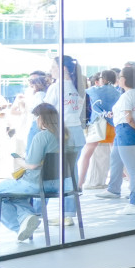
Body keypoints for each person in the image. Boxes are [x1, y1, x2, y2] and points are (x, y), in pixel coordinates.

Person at [0, 102, 62, 242]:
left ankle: (18, 227)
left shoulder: (42, 136)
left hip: (35, 183)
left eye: (36, 117)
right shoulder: (66, 136)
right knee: (17, 196)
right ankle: (27, 217)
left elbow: (32, 165)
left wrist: (20, 161)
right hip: (57, 184)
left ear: (41, 118)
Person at [42, 55, 86, 224]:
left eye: (53, 67)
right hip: (77, 133)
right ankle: (68, 213)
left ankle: (40, 211)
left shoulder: (56, 87)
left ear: (63, 69)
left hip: (63, 133)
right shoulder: (79, 87)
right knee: (71, 173)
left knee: (55, 173)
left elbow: (45, 111)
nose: (51, 70)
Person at [101, 63, 135, 215]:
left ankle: (134, 203)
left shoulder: (126, 96)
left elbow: (129, 118)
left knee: (134, 170)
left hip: (126, 132)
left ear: (125, 79)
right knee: (120, 160)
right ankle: (115, 189)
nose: (118, 79)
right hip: (131, 131)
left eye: (120, 76)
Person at [80, 68, 121, 188]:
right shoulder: (117, 92)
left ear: (104, 79)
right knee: (116, 155)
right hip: (113, 125)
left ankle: (80, 182)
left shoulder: (95, 90)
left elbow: (83, 91)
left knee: (86, 153)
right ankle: (119, 183)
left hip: (98, 124)